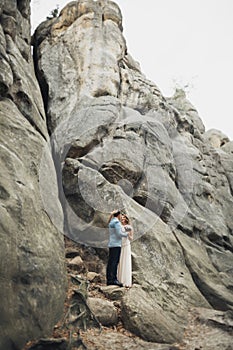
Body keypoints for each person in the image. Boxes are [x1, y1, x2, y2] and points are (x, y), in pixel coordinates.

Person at [106, 210, 128, 287]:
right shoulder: (117, 222)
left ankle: (109, 279)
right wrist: (126, 234)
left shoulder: (112, 221)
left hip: (111, 244)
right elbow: (119, 234)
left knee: (110, 262)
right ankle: (113, 279)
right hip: (116, 244)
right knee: (114, 262)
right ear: (118, 215)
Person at [117, 214, 134, 287]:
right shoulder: (120, 226)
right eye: (122, 218)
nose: (123, 219)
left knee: (125, 261)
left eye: (124, 218)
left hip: (126, 245)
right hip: (121, 245)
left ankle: (126, 281)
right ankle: (119, 279)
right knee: (120, 261)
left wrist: (127, 234)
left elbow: (131, 238)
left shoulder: (129, 227)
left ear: (126, 219)